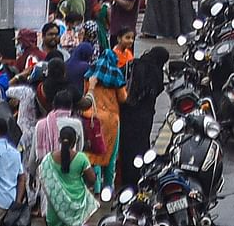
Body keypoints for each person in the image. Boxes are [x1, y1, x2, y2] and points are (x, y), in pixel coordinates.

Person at [118, 47, 170, 189]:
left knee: (127, 145)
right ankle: (140, 174)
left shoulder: (135, 64)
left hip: (128, 112)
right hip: (144, 116)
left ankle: (126, 179)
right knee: (141, 144)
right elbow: (158, 89)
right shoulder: (156, 72)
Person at [84, 48, 127, 191]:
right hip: (111, 120)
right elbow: (123, 98)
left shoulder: (90, 75)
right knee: (110, 156)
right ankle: (108, 188)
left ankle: (95, 188)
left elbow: (86, 94)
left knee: (94, 155)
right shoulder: (116, 75)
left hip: (91, 118)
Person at [39, 127, 98, 226]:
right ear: (75, 141)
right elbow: (92, 179)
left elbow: (44, 181)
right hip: (76, 208)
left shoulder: (47, 159)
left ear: (59, 140)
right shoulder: (81, 158)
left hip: (55, 208)